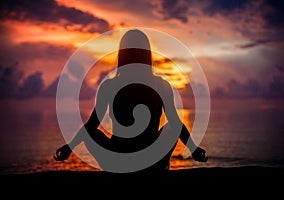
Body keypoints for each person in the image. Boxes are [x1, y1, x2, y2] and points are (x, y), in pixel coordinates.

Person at [54, 29, 208, 173]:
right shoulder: (161, 84)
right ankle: (157, 168)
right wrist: (193, 149)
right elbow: (175, 124)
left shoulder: (109, 86)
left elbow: (92, 124)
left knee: (93, 133)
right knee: (170, 127)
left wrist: (70, 147)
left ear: (122, 54)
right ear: (147, 55)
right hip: (151, 159)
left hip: (118, 159)